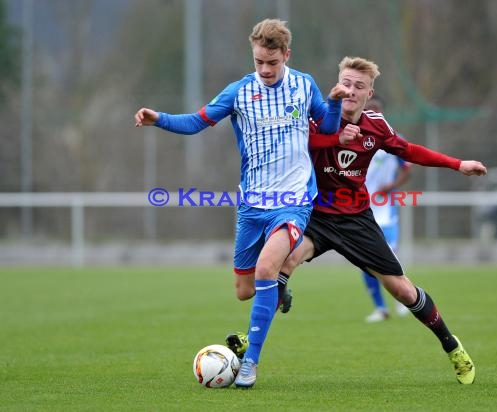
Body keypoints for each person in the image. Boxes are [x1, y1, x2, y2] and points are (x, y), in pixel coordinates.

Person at [230, 56, 486, 385]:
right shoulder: (315, 117)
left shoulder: (376, 126)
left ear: (369, 94)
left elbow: (409, 151)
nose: (350, 91)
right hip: (314, 213)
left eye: (358, 87)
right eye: (346, 83)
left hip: (355, 219)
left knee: (403, 291)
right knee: (281, 262)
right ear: (337, 83)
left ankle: (453, 347)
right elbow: (297, 143)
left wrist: (457, 164)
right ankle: (253, 344)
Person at [134, 19, 351, 388]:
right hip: (252, 205)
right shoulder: (238, 92)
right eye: (258, 62)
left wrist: (331, 103)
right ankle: (279, 291)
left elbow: (329, 130)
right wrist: (159, 120)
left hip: (294, 201)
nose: (265, 70)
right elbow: (195, 123)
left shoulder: (304, 85)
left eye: (272, 62)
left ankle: (249, 364)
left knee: (267, 268)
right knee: (245, 290)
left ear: (286, 55)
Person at [361, 96, 411, 322]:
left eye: (376, 109)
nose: (372, 112)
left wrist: (391, 186)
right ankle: (381, 308)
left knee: (390, 257)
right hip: (360, 209)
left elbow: (407, 169)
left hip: (384, 210)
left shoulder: (394, 139)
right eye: (369, 109)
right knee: (363, 261)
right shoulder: (353, 137)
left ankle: (404, 299)